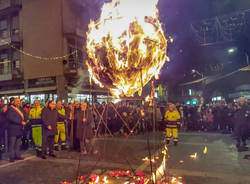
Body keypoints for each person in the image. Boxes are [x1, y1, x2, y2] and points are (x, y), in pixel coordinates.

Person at [6, 98, 27, 162]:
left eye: (19, 101)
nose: (18, 102)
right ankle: (11, 157)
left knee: (18, 144)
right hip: (13, 129)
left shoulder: (20, 109)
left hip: (20, 129)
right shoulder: (10, 109)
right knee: (12, 144)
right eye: (17, 101)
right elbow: (10, 118)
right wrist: (20, 122)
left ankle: (17, 155)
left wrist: (25, 120)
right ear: (13, 102)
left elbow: (25, 115)